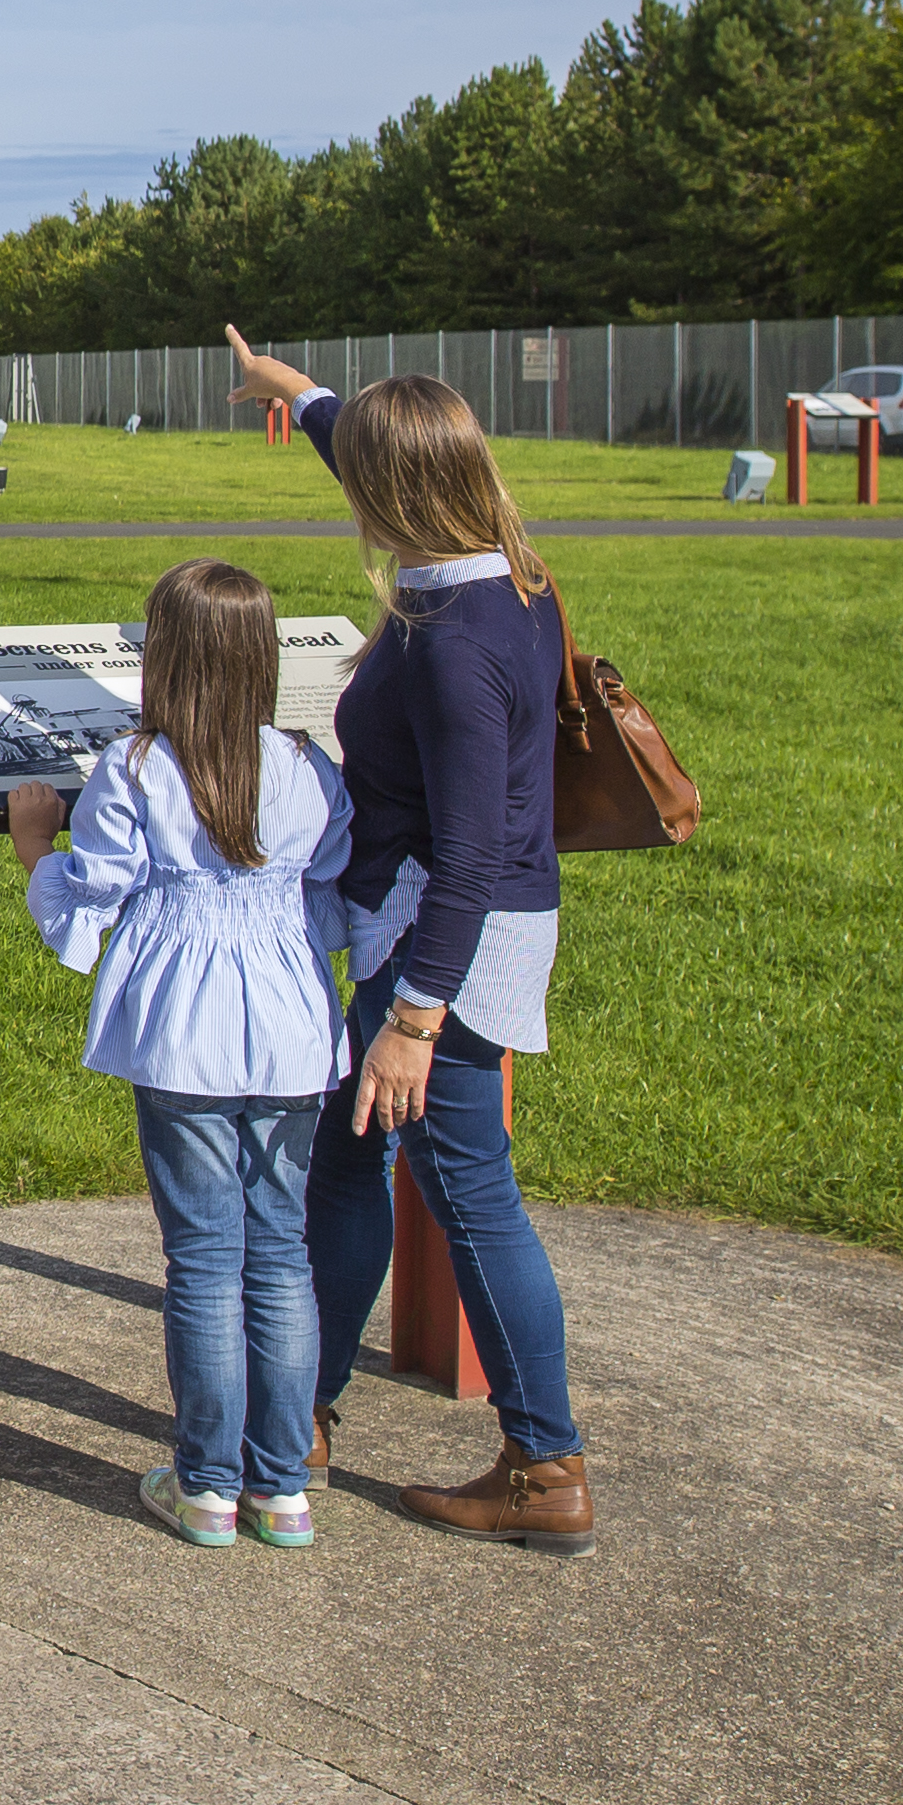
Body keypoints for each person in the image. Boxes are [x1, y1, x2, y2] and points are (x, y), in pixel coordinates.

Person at [227, 329, 597, 1555]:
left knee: (462, 1182)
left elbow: (477, 847)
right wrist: (298, 393)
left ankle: (541, 1461)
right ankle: (305, 1412)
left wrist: (411, 1018)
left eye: (356, 478)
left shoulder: (452, 646)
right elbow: (365, 443)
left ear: (396, 498)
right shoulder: (495, 574)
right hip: (438, 934)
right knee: (348, 1161)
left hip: (446, 946)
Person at [4, 558, 355, 1550]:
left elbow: (96, 895)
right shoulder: (301, 765)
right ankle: (280, 1485)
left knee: (202, 1258)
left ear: (159, 654)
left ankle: (205, 1483)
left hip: (182, 1035)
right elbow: (327, 895)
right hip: (290, 1029)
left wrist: (37, 852)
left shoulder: (133, 767)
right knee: (278, 1251)